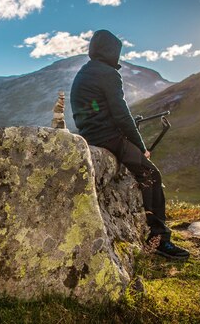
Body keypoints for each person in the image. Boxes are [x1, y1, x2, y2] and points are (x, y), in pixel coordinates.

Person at [70, 29, 189, 259]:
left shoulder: (84, 72)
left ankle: (156, 234)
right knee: (151, 175)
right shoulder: (108, 74)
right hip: (108, 137)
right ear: (111, 51)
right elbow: (121, 115)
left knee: (146, 173)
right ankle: (160, 240)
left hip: (92, 136)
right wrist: (141, 146)